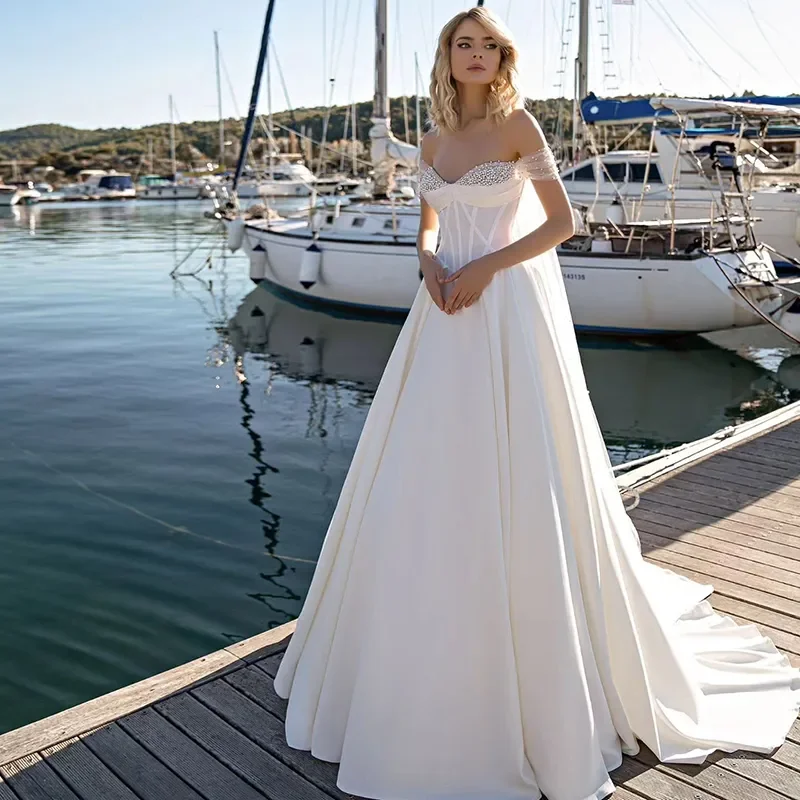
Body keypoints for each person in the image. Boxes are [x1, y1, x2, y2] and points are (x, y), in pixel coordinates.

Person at [273, 8, 800, 800]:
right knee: (425, 465)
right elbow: (426, 223)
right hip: (441, 311)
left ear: (502, 57)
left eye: (488, 45)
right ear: (447, 57)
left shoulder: (520, 127)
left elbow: (561, 222)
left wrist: (485, 268)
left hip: (504, 306)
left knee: (519, 459)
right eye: (464, 43)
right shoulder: (432, 143)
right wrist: (428, 264)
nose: (477, 54)